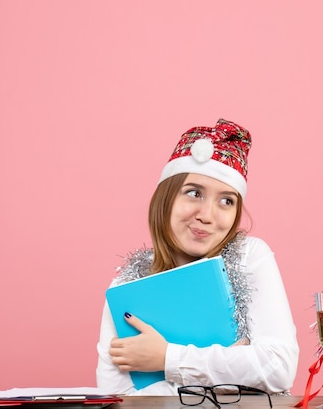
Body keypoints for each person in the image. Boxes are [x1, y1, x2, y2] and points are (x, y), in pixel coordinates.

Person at [96, 119, 299, 396]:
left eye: (226, 200)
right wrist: (230, 373)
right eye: (194, 193)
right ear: (165, 199)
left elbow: (278, 369)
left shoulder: (251, 256)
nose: (207, 215)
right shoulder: (125, 285)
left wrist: (167, 359)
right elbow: (117, 398)